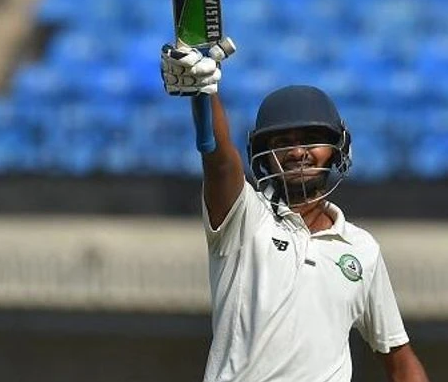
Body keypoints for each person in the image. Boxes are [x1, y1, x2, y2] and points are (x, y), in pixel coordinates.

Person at [160, 39, 430, 382]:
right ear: (263, 156)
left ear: (337, 150)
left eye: (310, 140)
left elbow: (400, 359)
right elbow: (220, 161)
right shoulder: (245, 219)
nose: (298, 152)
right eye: (282, 143)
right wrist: (205, 93)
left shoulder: (362, 250)